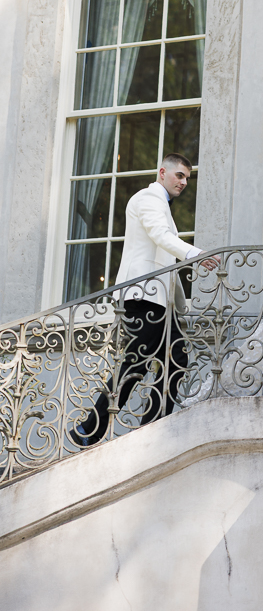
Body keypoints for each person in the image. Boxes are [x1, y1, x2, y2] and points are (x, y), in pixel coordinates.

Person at [71, 153, 218, 446]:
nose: (184, 182)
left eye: (188, 178)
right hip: (142, 296)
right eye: (179, 175)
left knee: (176, 359)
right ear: (162, 172)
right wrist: (195, 254)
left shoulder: (162, 204)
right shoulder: (148, 199)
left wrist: (179, 304)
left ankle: (151, 425)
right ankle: (90, 428)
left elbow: (164, 257)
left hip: (160, 301)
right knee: (136, 362)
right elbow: (160, 236)